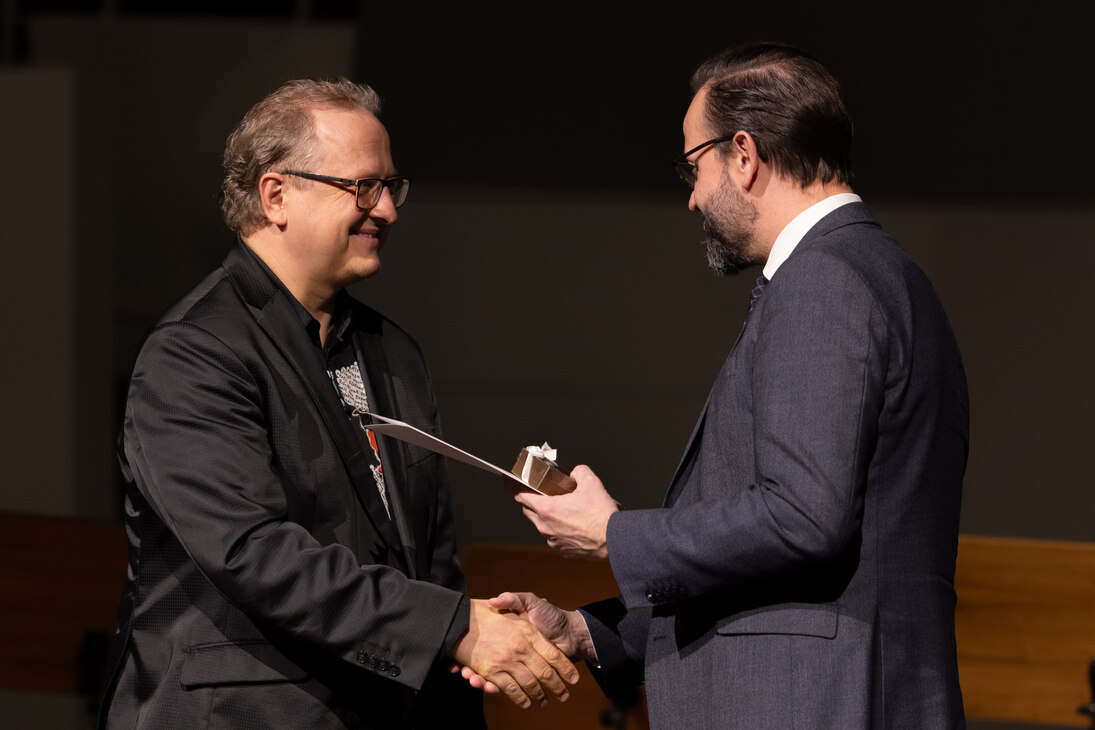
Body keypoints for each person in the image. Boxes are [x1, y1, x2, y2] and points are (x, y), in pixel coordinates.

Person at [476, 42, 970, 728]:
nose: (691, 198)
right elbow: (803, 566)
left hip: (813, 703)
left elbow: (801, 520)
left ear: (743, 155)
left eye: (692, 166)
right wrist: (587, 632)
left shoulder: (825, 281)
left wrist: (613, 535)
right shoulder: (877, 273)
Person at [98, 77, 577, 729]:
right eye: (362, 187)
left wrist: (460, 639)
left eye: (390, 188)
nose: (386, 211)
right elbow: (253, 554)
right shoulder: (194, 353)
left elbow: (428, 563)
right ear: (276, 195)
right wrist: (453, 627)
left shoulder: (394, 353)